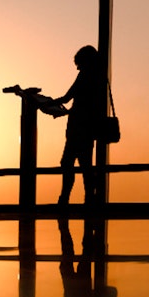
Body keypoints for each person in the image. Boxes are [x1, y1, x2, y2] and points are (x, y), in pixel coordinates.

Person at [52, 46, 106, 207]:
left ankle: (64, 200)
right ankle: (89, 199)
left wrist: (48, 103)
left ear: (85, 62)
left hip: (78, 127)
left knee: (67, 163)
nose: (77, 67)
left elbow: (67, 97)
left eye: (79, 64)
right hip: (88, 128)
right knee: (85, 165)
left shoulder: (85, 76)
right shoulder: (98, 77)